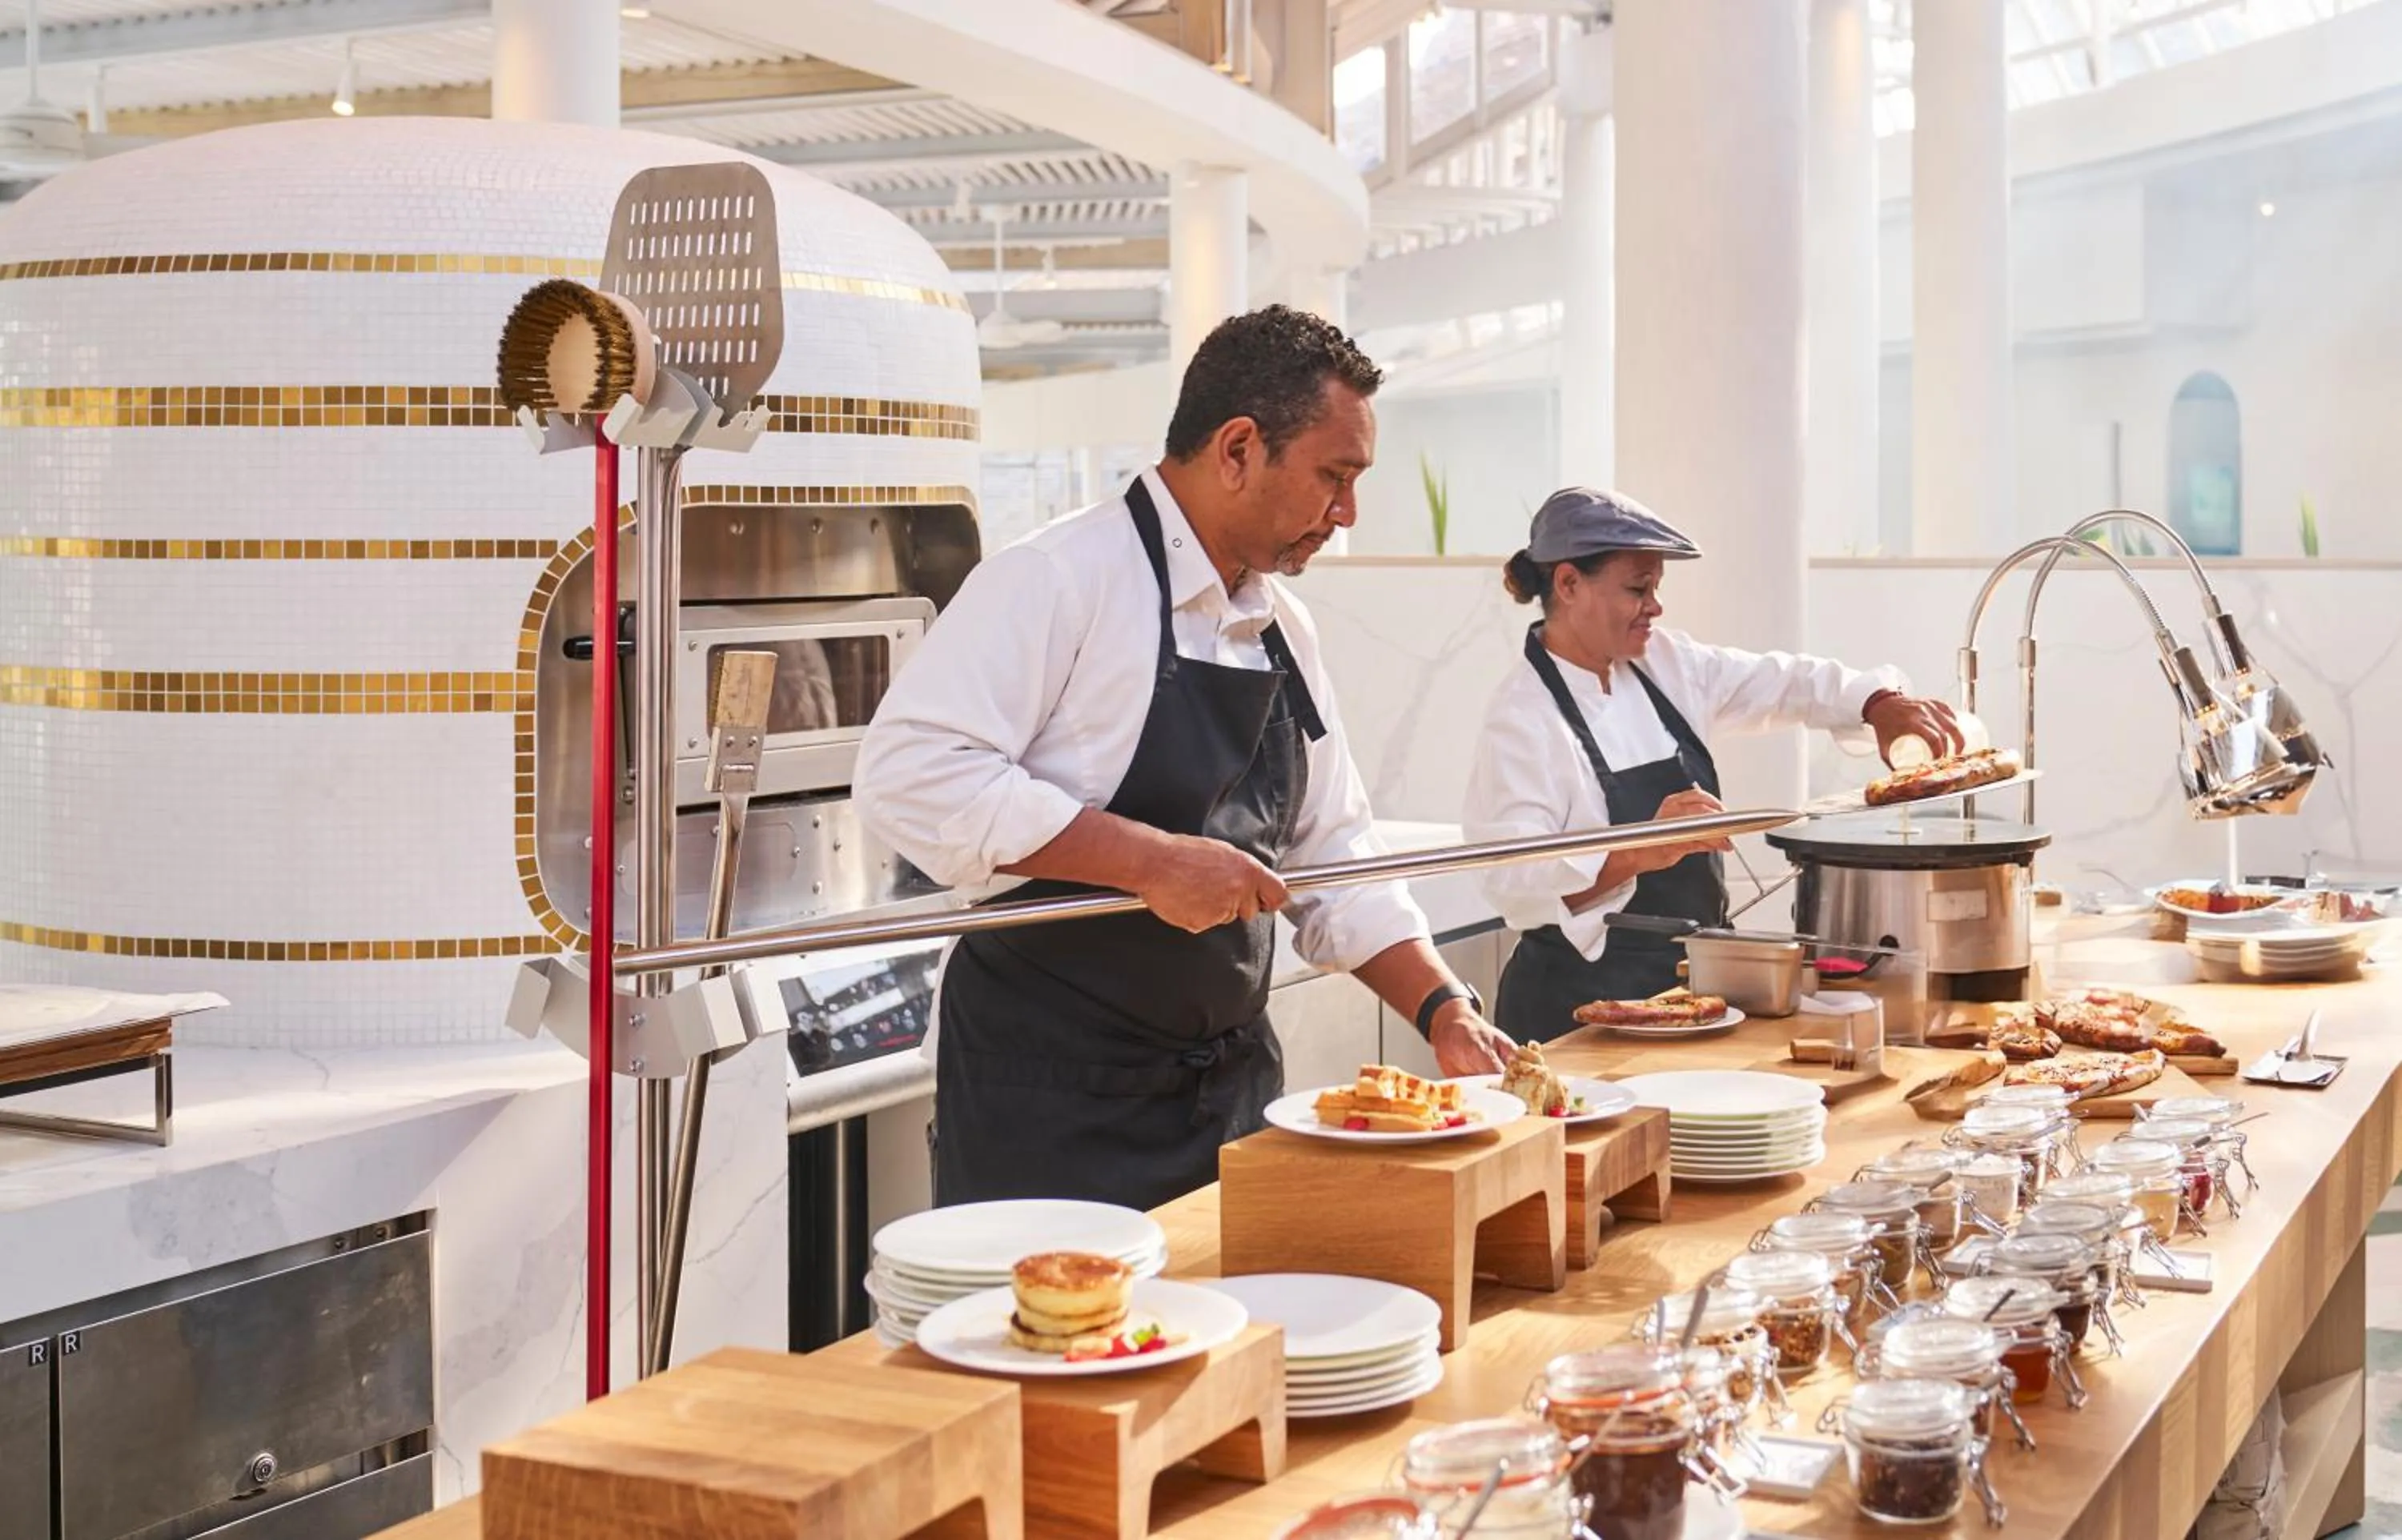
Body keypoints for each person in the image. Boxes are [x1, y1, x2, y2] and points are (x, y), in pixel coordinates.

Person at [858, 306, 1516, 1212]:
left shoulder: (1286, 627)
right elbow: (911, 775)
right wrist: (1150, 863)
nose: (1347, 512)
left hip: (1228, 1098)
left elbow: (1336, 856)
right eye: (1335, 476)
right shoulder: (1057, 579)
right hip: (1051, 1105)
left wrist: (1446, 1013)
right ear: (1239, 447)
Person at [1464, 487, 1962, 1041]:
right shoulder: (1521, 718)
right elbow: (1513, 883)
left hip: (1687, 993)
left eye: (1656, 587)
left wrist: (1878, 704)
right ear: (1568, 583)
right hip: (1574, 1014)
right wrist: (1642, 849)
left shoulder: (1663, 665)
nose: (1655, 606)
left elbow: (1784, 682)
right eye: (1638, 588)